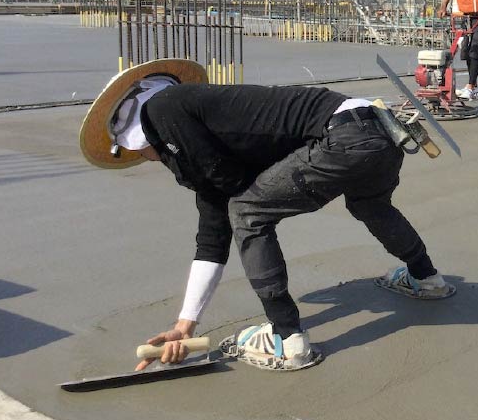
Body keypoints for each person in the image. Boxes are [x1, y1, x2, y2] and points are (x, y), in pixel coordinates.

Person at [78, 58, 455, 373]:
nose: (150, 160)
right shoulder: (215, 125)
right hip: (377, 131)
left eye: (142, 154)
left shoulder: (163, 108)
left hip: (339, 137)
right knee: (369, 205)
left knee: (247, 211)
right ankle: (427, 279)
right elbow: (212, 234)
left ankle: (287, 339)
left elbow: (236, 202)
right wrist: (184, 325)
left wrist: (235, 205)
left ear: (140, 140)